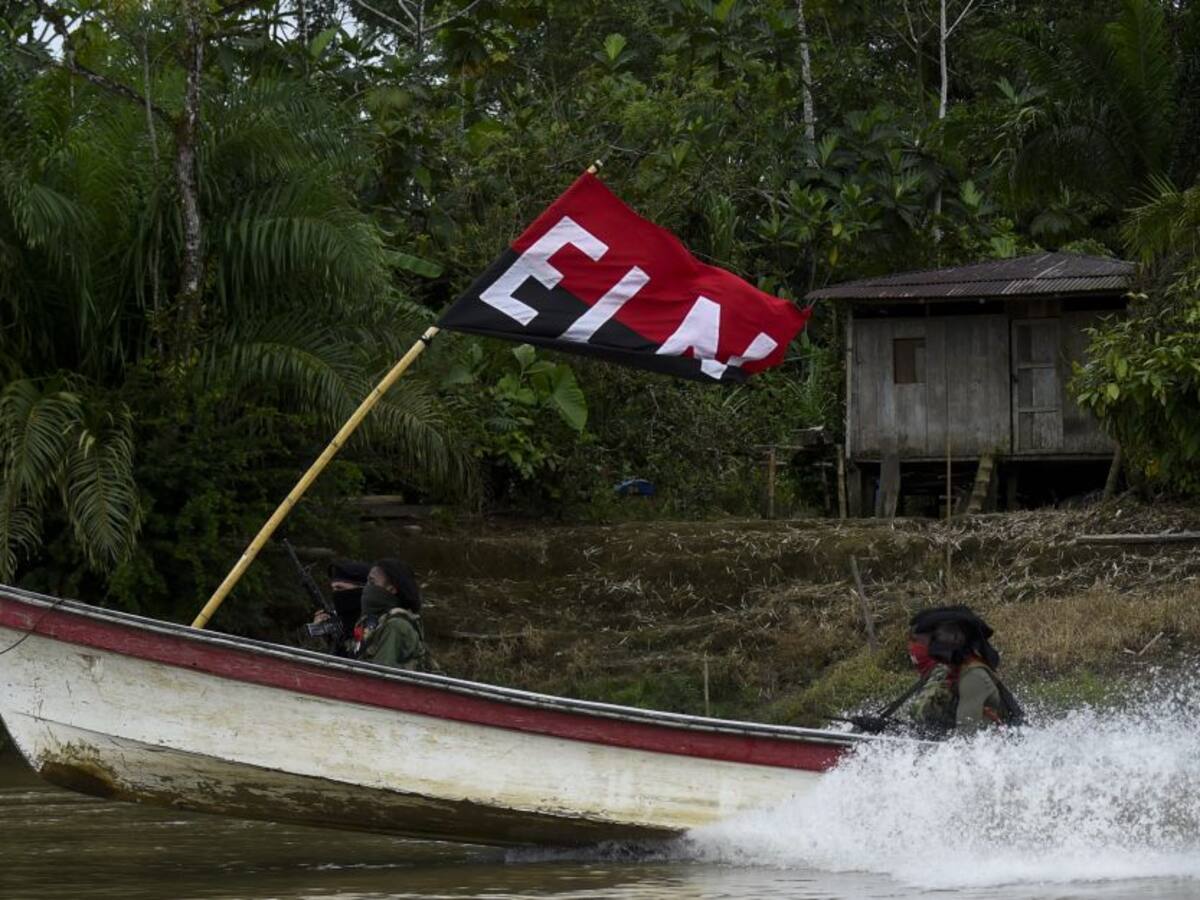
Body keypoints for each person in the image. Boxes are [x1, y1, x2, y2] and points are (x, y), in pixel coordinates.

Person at [904, 605, 1023, 735]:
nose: (917, 647)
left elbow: (965, 738)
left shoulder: (973, 677)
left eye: (922, 641)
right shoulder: (947, 672)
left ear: (947, 640)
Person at [353, 558, 427, 670]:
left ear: (392, 589)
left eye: (372, 582)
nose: (366, 588)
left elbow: (381, 674)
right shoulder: (374, 622)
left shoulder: (396, 625)